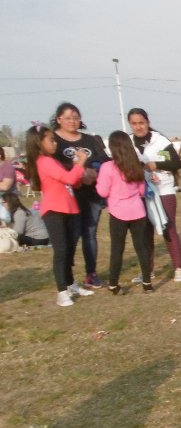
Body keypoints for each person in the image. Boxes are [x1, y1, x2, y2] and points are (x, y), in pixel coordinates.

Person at [25, 125, 91, 306]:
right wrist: (80, 163)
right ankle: (62, 291)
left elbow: (71, 180)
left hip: (68, 208)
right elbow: (69, 178)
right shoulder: (44, 161)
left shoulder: (51, 160)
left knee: (68, 250)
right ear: (39, 143)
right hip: (54, 211)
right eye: (51, 140)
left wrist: (77, 170)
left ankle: (70, 284)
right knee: (61, 250)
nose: (55, 143)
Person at [52, 102, 110, 289]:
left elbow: (104, 160)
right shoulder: (53, 140)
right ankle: (67, 277)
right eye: (68, 117)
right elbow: (51, 165)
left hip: (91, 194)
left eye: (76, 117)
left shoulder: (90, 140)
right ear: (59, 119)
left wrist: (94, 172)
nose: (72, 121)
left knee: (90, 233)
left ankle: (91, 274)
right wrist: (79, 173)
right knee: (71, 235)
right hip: (68, 196)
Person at [128, 108, 181, 283]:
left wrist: (156, 164)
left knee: (169, 228)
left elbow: (175, 162)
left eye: (141, 122)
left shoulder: (159, 141)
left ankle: (178, 268)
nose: (138, 127)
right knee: (145, 233)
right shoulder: (128, 142)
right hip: (140, 192)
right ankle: (148, 271)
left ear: (147, 122)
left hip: (163, 190)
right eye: (134, 123)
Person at [96, 131, 153, 294]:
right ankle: (147, 283)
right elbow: (142, 190)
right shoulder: (136, 165)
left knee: (117, 249)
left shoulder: (107, 167)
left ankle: (113, 284)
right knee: (142, 248)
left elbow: (102, 191)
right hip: (138, 211)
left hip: (118, 212)